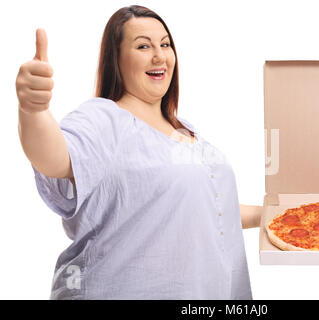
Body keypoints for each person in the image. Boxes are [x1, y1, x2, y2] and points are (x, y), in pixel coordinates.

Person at [16, 5, 262, 300]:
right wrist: (33, 111)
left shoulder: (187, 132)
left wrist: (273, 214)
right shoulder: (104, 118)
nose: (159, 55)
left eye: (165, 44)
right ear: (116, 61)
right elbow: (55, 158)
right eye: (143, 46)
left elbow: (209, 209)